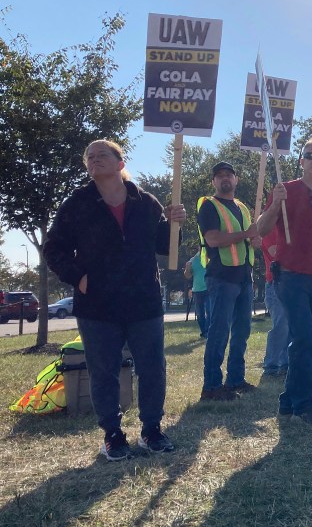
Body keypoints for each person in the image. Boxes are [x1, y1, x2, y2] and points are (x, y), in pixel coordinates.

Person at [44, 139, 185, 461]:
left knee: (152, 368)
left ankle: (152, 430)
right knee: (103, 371)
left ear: (120, 163)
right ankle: (113, 434)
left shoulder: (146, 202)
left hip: (143, 300)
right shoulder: (77, 203)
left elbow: (164, 246)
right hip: (97, 304)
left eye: (102, 154)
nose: (94, 159)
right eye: (89, 157)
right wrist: (78, 277)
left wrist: (175, 223)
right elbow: (54, 248)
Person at [257, 137, 312, 425]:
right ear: (302, 161)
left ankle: (287, 400)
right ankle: (305, 405)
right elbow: (261, 229)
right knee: (303, 338)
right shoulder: (285, 191)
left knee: (310, 343)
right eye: (310, 155)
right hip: (291, 278)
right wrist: (273, 205)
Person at [197, 161, 260, 401]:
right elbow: (213, 239)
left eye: (229, 175)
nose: (225, 178)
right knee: (219, 332)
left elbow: (249, 239)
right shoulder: (209, 206)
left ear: (236, 180)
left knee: (242, 331)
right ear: (213, 181)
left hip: (243, 277)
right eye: (220, 176)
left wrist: (255, 242)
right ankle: (211, 386)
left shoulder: (242, 208)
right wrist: (246, 235)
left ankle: (235, 379)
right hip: (221, 277)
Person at [261, 229, 289, 376]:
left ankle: (285, 364)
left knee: (290, 326)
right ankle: (271, 365)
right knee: (281, 326)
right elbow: (275, 253)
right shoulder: (270, 228)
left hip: (291, 283)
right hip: (275, 283)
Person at [184, 250, 209, 339]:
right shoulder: (193, 260)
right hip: (197, 290)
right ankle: (204, 332)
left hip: (209, 289)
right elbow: (188, 276)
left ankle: (208, 332)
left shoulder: (210, 257)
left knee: (209, 311)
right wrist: (187, 268)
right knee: (200, 313)